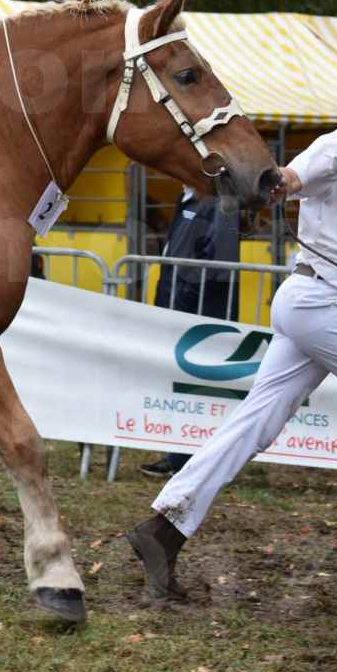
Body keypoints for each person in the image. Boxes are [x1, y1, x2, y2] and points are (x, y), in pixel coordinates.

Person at [127, 50, 337, 603]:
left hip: (325, 301)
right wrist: (271, 185)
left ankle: (163, 528)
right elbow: (294, 178)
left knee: (256, 422)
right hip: (325, 299)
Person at [139, 185, 241, 479]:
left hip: (200, 313)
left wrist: (185, 295)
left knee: (200, 385)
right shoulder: (188, 199)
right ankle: (178, 455)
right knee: (179, 382)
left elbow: (217, 262)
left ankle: (192, 460)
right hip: (177, 304)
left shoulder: (220, 202)